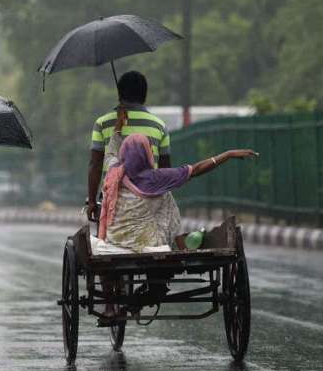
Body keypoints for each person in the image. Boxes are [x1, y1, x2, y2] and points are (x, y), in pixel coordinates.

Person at [98, 133, 257, 310]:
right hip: (149, 242)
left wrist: (117, 131)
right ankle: (156, 285)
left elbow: (110, 155)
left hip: (116, 240)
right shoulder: (158, 177)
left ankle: (110, 307)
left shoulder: (113, 172)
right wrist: (227, 154)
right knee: (165, 194)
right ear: (146, 154)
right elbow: (196, 170)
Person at [87, 71, 171, 221]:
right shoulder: (159, 126)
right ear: (144, 95)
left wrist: (92, 201)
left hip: (113, 201)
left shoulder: (102, 123)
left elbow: (96, 164)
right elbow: (165, 169)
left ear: (119, 94)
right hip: (149, 199)